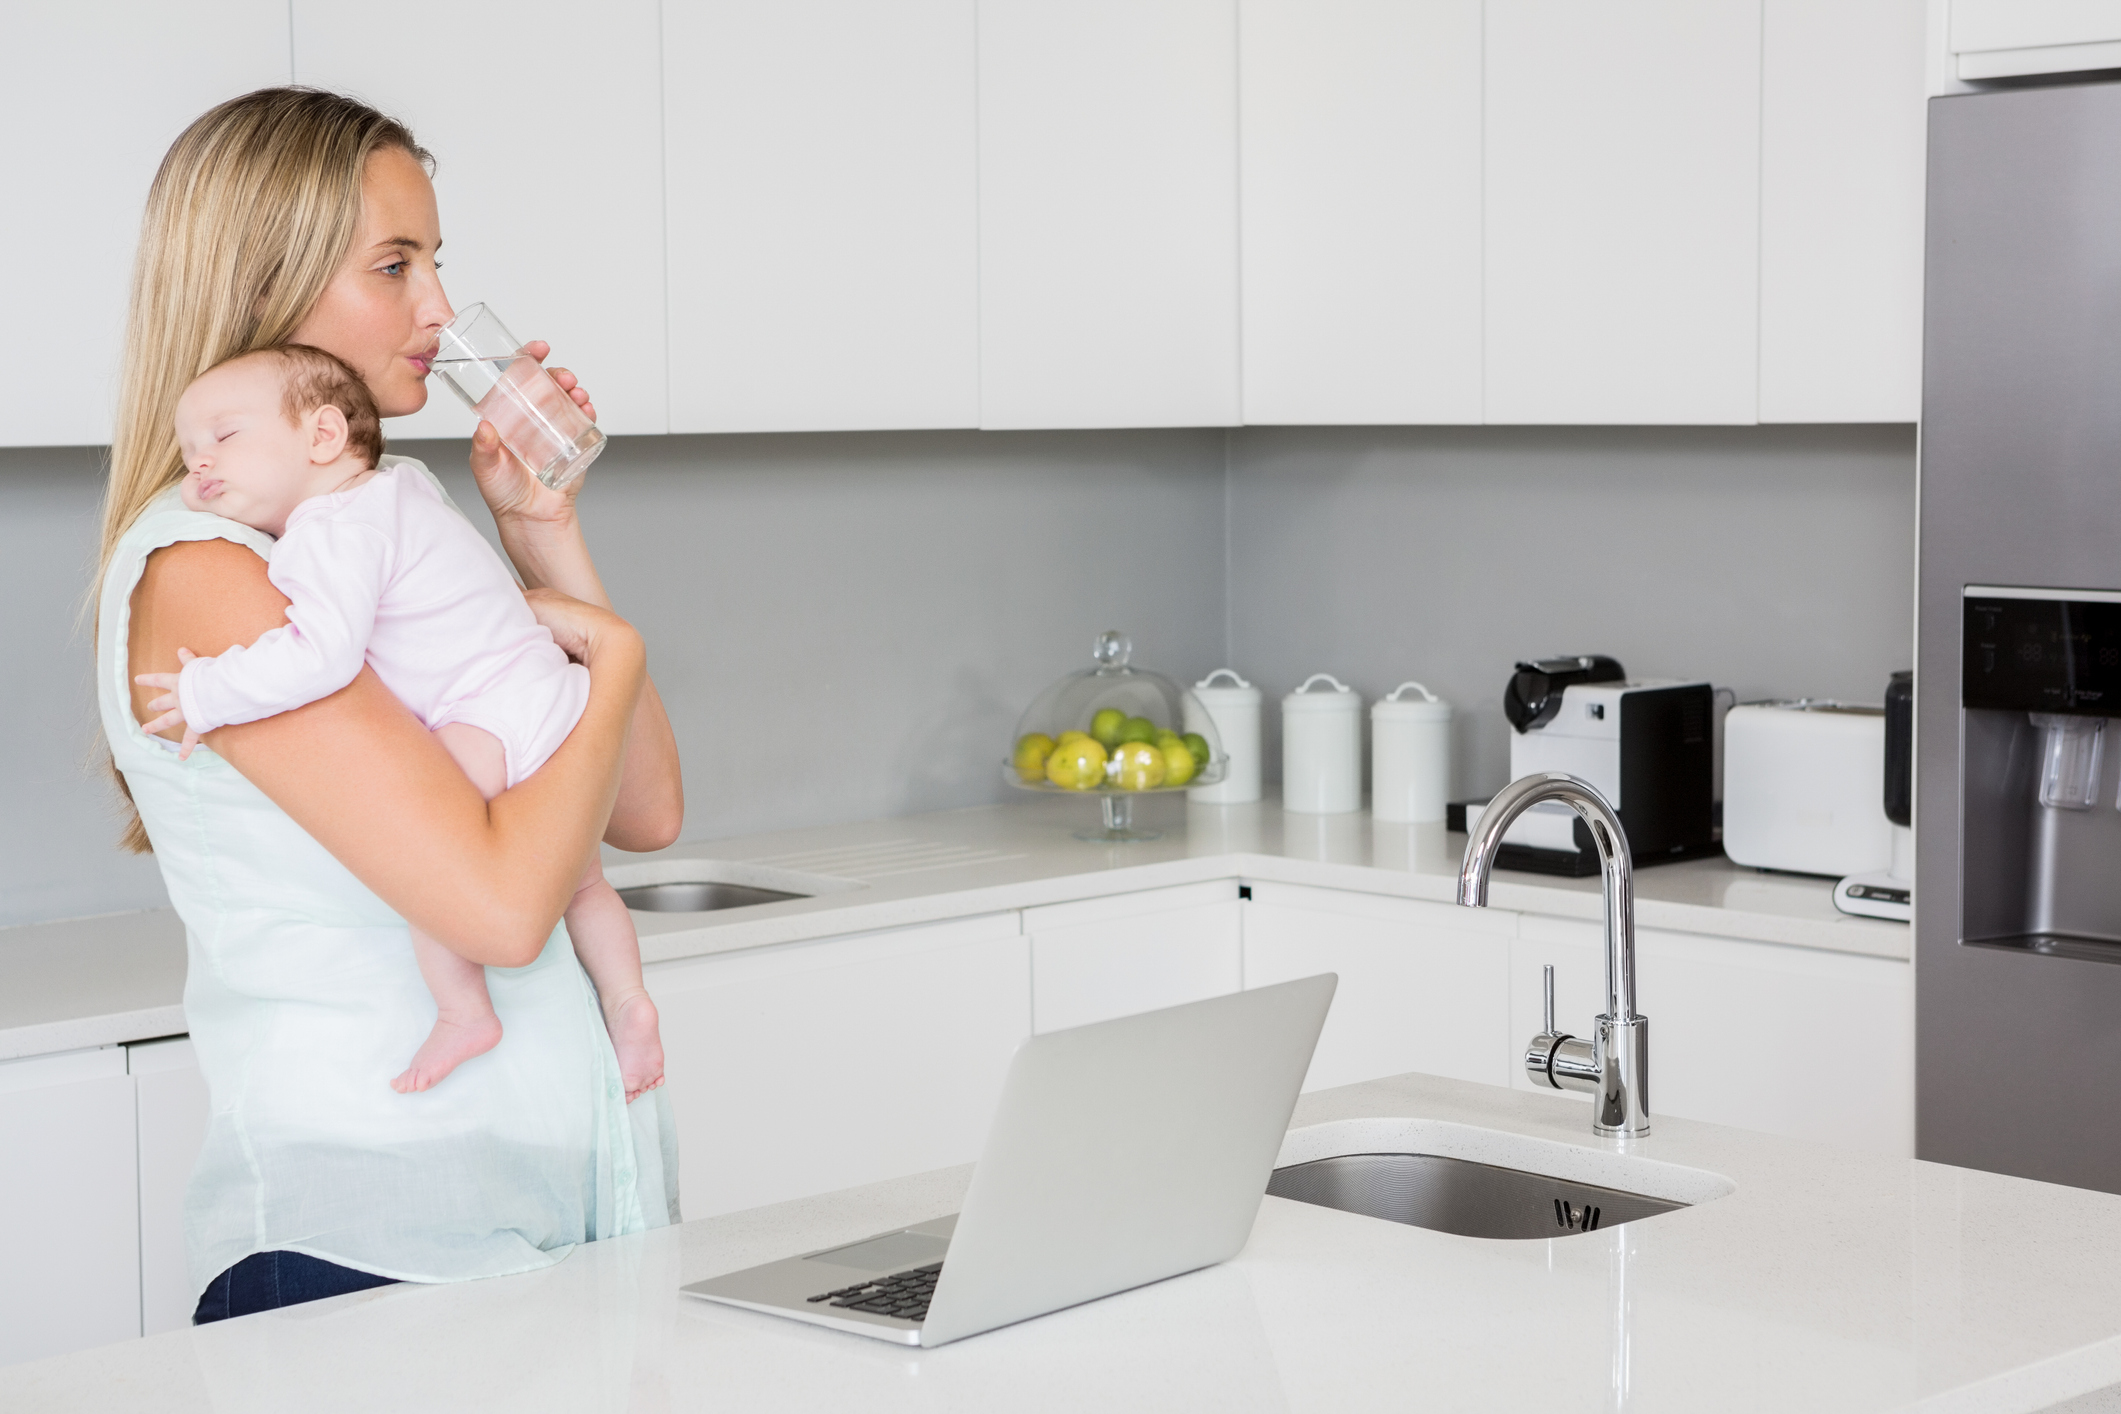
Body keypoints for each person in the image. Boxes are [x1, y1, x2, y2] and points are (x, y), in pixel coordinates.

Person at [94, 86, 685, 1325]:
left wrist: (542, 531)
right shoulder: (211, 575)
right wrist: (612, 661)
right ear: (271, 294)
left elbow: (643, 808)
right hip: (374, 1245)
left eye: (437, 260)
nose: (437, 309)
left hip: (540, 1228)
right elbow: (505, 908)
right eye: (395, 264)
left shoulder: (368, 520)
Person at [133, 344, 666, 1100]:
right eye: (189, 457)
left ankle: (462, 1011)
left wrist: (205, 693)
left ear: (321, 437)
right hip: (551, 691)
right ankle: (627, 1000)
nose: (200, 468)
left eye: (224, 439)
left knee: (443, 870)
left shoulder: (327, 528)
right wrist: (613, 655)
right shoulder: (404, 491)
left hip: (483, 716)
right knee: (582, 886)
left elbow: (322, 654)